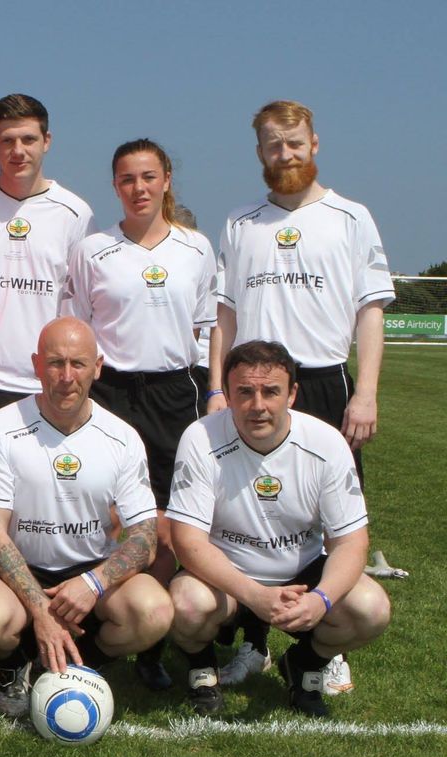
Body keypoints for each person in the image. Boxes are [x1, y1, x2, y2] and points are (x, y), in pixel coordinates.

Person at [215, 100, 395, 693]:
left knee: (329, 521)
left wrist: (364, 392)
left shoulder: (351, 217)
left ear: (314, 143)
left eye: (293, 143)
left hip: (321, 381)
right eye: (272, 144)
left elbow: (371, 310)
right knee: (247, 515)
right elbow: (225, 315)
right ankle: (253, 643)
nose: (284, 154)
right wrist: (220, 390)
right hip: (253, 389)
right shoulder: (241, 222)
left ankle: (323, 646)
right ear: (260, 151)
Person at [62, 139, 219, 690]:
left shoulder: (196, 249)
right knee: (116, 521)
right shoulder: (92, 250)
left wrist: (211, 390)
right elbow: (76, 329)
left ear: (167, 179)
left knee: (172, 526)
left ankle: (155, 645)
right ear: (115, 186)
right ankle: (105, 626)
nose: (139, 188)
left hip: (175, 394)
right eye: (127, 179)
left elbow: (206, 330)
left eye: (149, 177)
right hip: (111, 394)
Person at [167, 340, 390, 717]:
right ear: (229, 392)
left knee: (371, 610)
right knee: (185, 604)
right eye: (245, 392)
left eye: (271, 391)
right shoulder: (200, 437)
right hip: (228, 576)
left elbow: (351, 544)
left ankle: (305, 663)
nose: (258, 405)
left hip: (301, 574)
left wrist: (319, 600)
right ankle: (202, 670)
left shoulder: (327, 443)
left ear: (292, 394)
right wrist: (254, 596)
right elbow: (188, 542)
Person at [0, 317, 173, 717]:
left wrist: (93, 583)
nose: (65, 377)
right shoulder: (0, 428)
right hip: (19, 570)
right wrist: (41, 610)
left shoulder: (122, 437)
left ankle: (81, 665)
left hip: (88, 574)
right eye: (54, 363)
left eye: (77, 364)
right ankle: (14, 666)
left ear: (97, 367)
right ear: (36, 364)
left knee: (154, 611)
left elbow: (145, 538)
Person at [0, 93, 96, 596]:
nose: (18, 150)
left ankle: (38, 606)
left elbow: (77, 300)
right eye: (7, 140)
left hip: (41, 385)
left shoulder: (75, 212)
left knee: (36, 504)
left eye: (28, 139)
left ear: (46, 142)